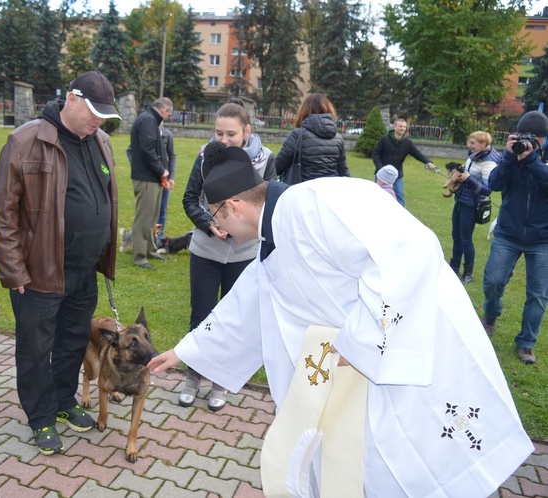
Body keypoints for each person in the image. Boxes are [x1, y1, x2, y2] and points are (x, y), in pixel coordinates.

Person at [149, 166, 532, 496]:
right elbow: (247, 304)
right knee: (374, 462)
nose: (218, 228)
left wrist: (362, 341)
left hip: (408, 348)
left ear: (235, 206)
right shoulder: (274, 235)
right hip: (358, 371)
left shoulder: (317, 201)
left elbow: (407, 249)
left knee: (430, 450)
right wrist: (188, 350)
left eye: (217, 217)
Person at [0, 71, 120, 455]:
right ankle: (41, 417)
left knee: (72, 342)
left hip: (84, 271)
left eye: (105, 114)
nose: (99, 120)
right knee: (35, 349)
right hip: (39, 273)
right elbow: (4, 214)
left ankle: (64, 402)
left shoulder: (101, 142)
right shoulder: (26, 141)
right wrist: (14, 270)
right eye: (94, 111)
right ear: (72, 99)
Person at [180, 101, 276, 411]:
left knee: (233, 319)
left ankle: (220, 381)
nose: (223, 140)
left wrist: (241, 228)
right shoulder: (205, 156)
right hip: (206, 251)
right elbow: (190, 199)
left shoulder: (266, 161)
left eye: (230, 134)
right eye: (218, 132)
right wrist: (209, 223)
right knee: (202, 315)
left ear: (247, 131)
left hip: (243, 255)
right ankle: (193, 377)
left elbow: (266, 207)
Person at [481, 111, 548, 364]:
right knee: (493, 281)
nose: (527, 142)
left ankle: (527, 343)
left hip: (542, 238)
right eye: (522, 137)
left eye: (534, 139)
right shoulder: (511, 154)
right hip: (508, 232)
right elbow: (494, 184)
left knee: (539, 294)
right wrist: (510, 157)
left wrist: (532, 160)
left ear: (543, 139)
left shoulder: (540, 157)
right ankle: (490, 316)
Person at [449, 131, 498, 285]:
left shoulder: (489, 162)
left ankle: (468, 273)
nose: (469, 146)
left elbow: (488, 190)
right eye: (469, 142)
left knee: (465, 239)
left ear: (483, 145)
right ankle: (454, 268)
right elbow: (466, 172)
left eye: (472, 143)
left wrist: (468, 178)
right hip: (461, 200)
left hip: (472, 205)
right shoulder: (473, 155)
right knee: (456, 236)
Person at [129, 97, 173, 270]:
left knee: (152, 218)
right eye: (168, 114)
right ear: (163, 110)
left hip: (152, 178)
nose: (168, 117)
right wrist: (162, 170)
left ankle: (150, 250)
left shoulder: (149, 119)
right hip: (146, 178)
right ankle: (140, 257)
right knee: (144, 218)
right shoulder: (147, 120)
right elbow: (147, 150)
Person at [274, 93, 350, 184]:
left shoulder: (297, 135)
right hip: (329, 192)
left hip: (303, 191)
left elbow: (277, 167)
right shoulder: (338, 138)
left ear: (304, 110)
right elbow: (343, 172)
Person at [372, 117, 437, 206]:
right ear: (394, 127)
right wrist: (381, 169)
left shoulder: (407, 142)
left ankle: (400, 217)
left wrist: (428, 162)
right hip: (382, 175)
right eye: (400, 126)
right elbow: (375, 154)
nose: (402, 128)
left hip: (398, 175)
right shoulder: (384, 139)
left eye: (404, 127)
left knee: (400, 197)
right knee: (378, 196)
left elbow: (417, 154)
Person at [156, 123, 176, 244]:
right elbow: (131, 151)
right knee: (149, 210)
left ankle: (160, 236)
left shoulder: (167, 135)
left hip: (164, 179)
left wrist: (171, 177)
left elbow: (172, 156)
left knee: (162, 209)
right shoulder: (145, 133)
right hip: (148, 178)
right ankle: (147, 236)